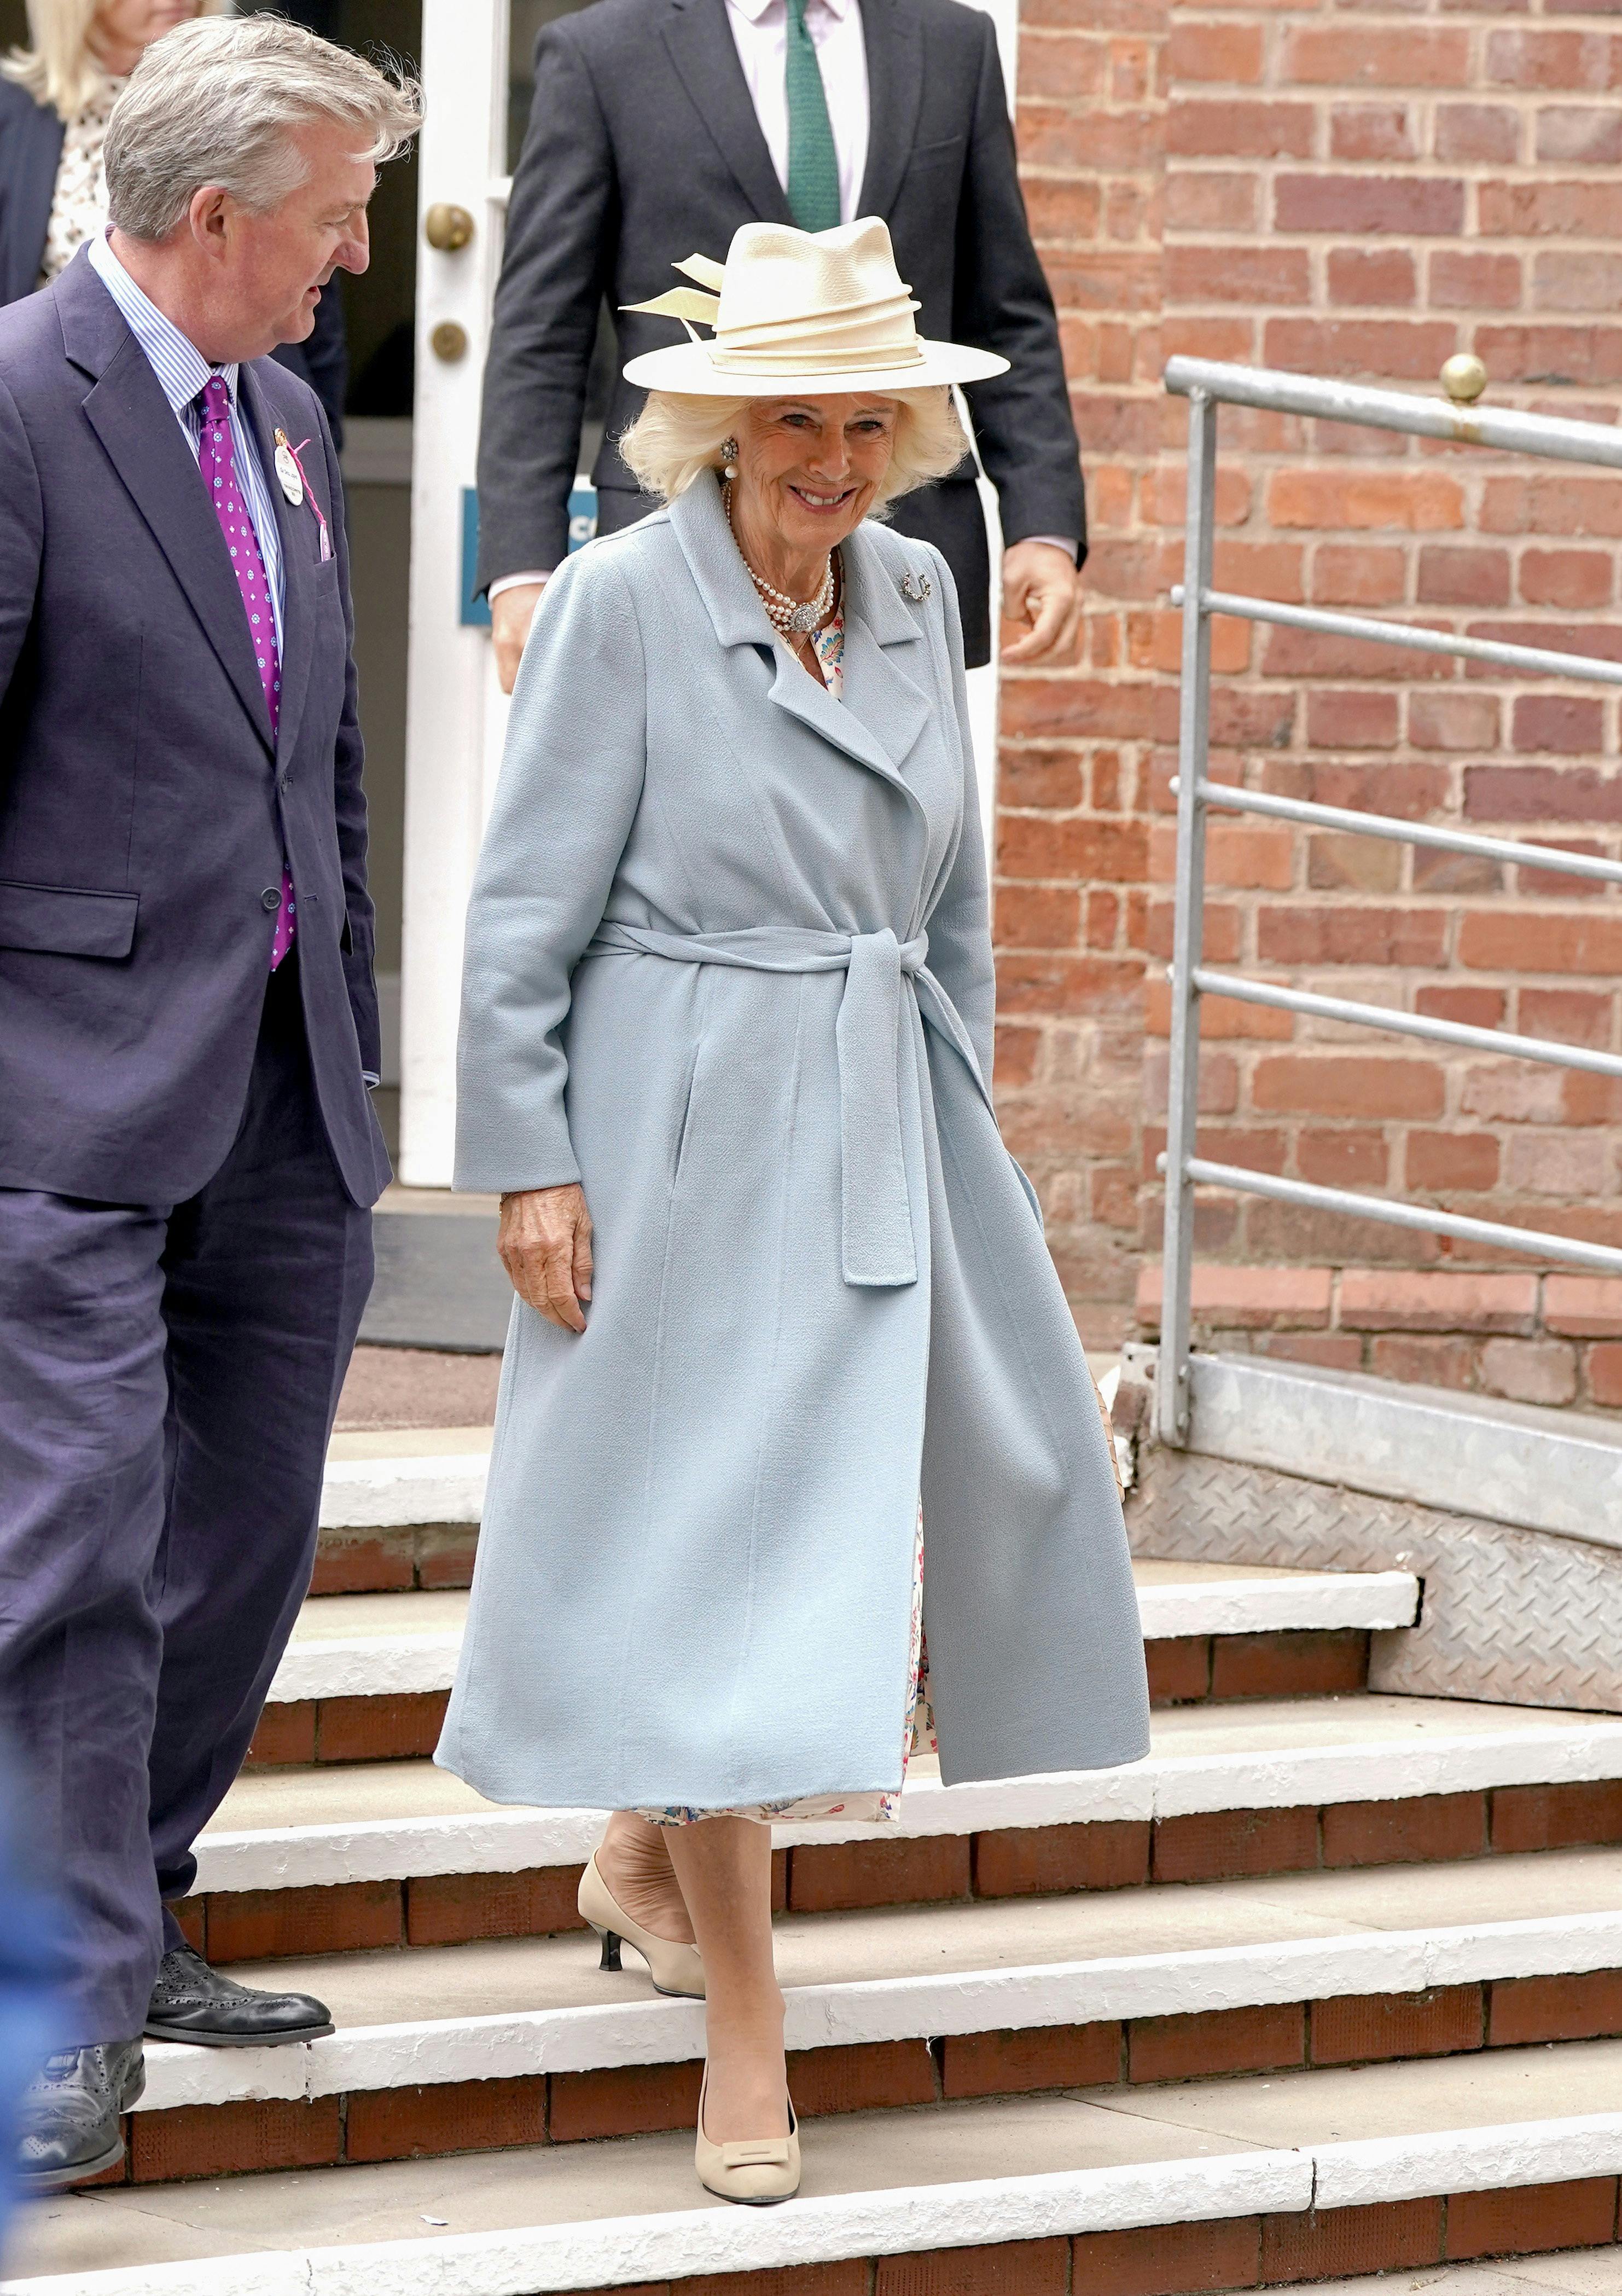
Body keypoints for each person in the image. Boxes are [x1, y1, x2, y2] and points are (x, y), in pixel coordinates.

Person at [440, 218, 1149, 2205]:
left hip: (871, 1102)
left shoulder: (920, 591)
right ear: (715, 428)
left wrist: (962, 1126)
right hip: (668, 1120)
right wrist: (529, 1157)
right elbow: (517, 912)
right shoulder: (612, 601)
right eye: (791, 421)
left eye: (865, 418)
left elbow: (951, 903)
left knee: (863, 1534)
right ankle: (746, 2027)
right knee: (725, 1562)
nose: (829, 457)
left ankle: (646, 1847)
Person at [0, 15, 419, 2193]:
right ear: (222, 211)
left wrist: (350, 1052)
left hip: (278, 1101)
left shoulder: (271, 414)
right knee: (68, 1549)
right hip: (57, 1094)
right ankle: (56, 1995)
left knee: (238, 1526)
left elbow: (315, 775)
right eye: (341, 215)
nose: (360, 255)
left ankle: (136, 1901)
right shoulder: (13, 399)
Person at [475, 0, 1088, 693]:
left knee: (905, 802)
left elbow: (1006, 313)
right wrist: (523, 571)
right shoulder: (600, 52)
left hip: (908, 536)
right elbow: (542, 331)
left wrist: (1043, 525)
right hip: (679, 537)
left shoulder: (956, 43)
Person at [0, 0, 350, 439]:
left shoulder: (259, 103)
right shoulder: (13, 117)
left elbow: (318, 274)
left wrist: (317, 434)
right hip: (69, 434)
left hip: (246, 428)